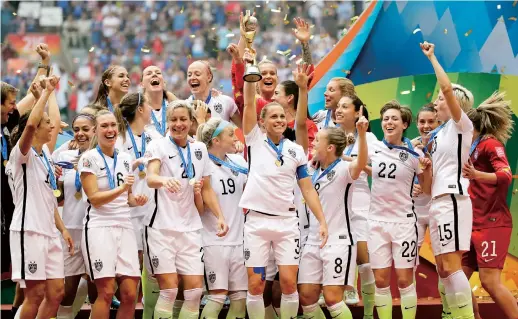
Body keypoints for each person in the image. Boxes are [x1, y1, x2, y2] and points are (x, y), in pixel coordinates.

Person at [241, 49, 328, 319]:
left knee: (289, 283)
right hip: (256, 222)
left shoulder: (295, 150)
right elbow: (246, 103)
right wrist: (249, 66)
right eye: (273, 116)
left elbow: (306, 187)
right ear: (262, 122)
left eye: (282, 116)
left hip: (286, 223)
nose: (279, 120)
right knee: (256, 285)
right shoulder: (253, 139)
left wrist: (322, 220)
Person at [144, 100, 229, 319]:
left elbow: (207, 188)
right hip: (161, 227)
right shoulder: (158, 146)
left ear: (191, 122)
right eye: (173, 119)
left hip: (190, 227)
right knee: (170, 289)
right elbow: (151, 177)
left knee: (194, 292)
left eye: (183, 119)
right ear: (167, 122)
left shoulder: (199, 149)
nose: (178, 124)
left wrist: (220, 216)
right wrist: (164, 180)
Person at [8, 75, 74, 319]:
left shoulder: (45, 154)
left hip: (49, 231)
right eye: (45, 123)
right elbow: (31, 125)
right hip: (29, 231)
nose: (52, 126)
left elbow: (48, 198)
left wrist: (62, 228)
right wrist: (45, 93)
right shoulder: (21, 154)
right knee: (34, 295)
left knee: (56, 293)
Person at [421, 41, 476, 319]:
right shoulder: (438, 135)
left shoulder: (460, 125)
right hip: (438, 201)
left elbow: (445, 88)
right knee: (443, 268)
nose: (438, 100)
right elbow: (429, 185)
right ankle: (453, 314)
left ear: (457, 104)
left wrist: (432, 57)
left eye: (443, 99)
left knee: (452, 267)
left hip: (454, 199)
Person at [299, 109, 369, 319]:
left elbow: (361, 163)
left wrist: (362, 136)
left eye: (317, 140)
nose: (313, 142)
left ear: (329, 147)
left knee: (332, 298)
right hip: (311, 241)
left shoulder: (344, 169)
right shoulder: (310, 170)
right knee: (307, 298)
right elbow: (300, 128)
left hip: (338, 241)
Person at [78, 110, 147, 318]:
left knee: (129, 293)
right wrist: (121, 189)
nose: (110, 130)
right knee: (106, 292)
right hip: (99, 227)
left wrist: (137, 201)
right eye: (104, 126)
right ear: (95, 131)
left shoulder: (126, 158)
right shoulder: (89, 159)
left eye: (113, 125)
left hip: (125, 226)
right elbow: (95, 199)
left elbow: (127, 198)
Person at [369, 101, 432, 319]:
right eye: (386, 118)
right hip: (376, 223)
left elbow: (426, 189)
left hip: (404, 224)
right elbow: (356, 164)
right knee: (380, 281)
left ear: (404, 124)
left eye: (394, 118)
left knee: (405, 281)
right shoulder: (373, 148)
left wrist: (425, 171)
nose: (389, 122)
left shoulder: (414, 154)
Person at [461, 92, 517, 319]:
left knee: (489, 281)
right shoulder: (470, 147)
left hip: (492, 224)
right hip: (471, 224)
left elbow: (505, 175)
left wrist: (477, 174)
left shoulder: (490, 144)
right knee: (455, 281)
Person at [114, 92, 163, 318]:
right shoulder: (119, 138)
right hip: (127, 211)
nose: (154, 108)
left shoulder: (154, 135)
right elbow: (117, 173)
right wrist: (133, 165)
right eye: (149, 105)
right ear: (141, 109)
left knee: (151, 268)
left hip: (153, 209)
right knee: (129, 274)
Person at [196, 118, 248, 319]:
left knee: (240, 299)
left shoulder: (239, 162)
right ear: (216, 141)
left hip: (239, 241)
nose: (236, 138)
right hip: (213, 241)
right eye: (230, 134)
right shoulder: (202, 166)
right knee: (217, 297)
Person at [333, 95, 378, 314]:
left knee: (364, 259)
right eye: (338, 106)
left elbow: (382, 166)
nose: (339, 110)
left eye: (345, 106)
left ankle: (368, 312)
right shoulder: (331, 135)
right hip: (335, 202)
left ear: (358, 112)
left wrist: (353, 161)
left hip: (360, 201)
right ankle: (344, 287)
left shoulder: (369, 137)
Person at [54, 113, 96, 319]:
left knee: (96, 289)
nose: (80, 134)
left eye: (85, 129)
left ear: (95, 130)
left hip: (96, 230)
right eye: (76, 129)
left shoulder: (103, 157)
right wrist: (55, 184)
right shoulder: (64, 157)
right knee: (66, 292)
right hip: (71, 229)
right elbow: (59, 196)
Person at [411, 105, 440, 251]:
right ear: (417, 124)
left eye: (431, 122)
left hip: (438, 208)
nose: (426, 126)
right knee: (409, 260)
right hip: (415, 210)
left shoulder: (445, 147)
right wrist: (410, 186)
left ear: (439, 123)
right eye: (422, 122)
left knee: (443, 263)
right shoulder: (410, 147)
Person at [186, 60, 242, 128]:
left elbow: (245, 130)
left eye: (197, 74)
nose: (192, 78)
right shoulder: (185, 107)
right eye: (189, 75)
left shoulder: (226, 102)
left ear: (209, 77)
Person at [140, 65, 178, 136]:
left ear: (163, 82)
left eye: (158, 73)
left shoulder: (173, 105)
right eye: (149, 73)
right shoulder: (137, 109)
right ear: (142, 84)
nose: (154, 74)